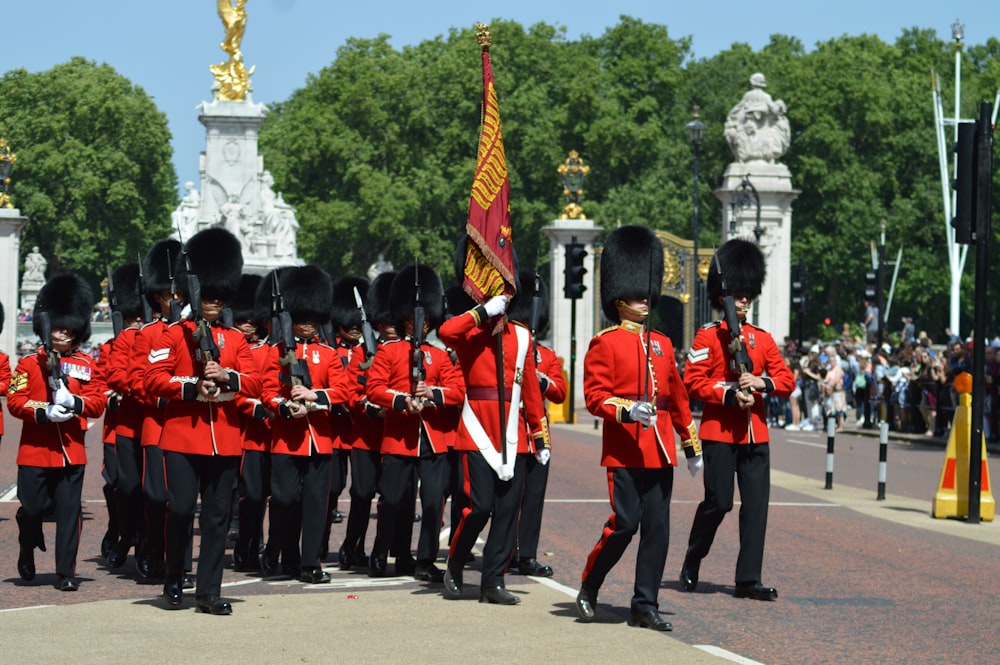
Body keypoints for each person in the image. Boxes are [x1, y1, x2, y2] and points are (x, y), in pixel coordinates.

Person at [574, 225, 699, 632]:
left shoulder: (662, 342)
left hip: (659, 448)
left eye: (646, 294)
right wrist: (627, 412)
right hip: (625, 448)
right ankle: (591, 584)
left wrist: (690, 443)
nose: (643, 300)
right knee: (625, 524)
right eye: (635, 293)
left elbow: (677, 399)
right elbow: (595, 396)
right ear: (618, 298)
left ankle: (644, 603)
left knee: (658, 529)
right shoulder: (604, 343)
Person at [144, 227, 261, 614]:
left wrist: (228, 377)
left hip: (225, 437)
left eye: (218, 296)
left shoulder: (236, 340)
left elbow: (256, 381)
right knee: (178, 509)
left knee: (215, 517)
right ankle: (174, 577)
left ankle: (209, 590)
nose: (213, 303)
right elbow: (152, 380)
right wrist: (192, 387)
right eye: (207, 296)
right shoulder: (174, 334)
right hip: (180, 436)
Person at [680, 238, 794, 602]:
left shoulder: (762, 339)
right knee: (720, 502)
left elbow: (786, 380)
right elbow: (693, 381)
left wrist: (761, 382)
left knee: (757, 508)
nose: (744, 299)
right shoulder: (707, 335)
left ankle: (748, 579)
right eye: (739, 293)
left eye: (749, 293)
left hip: (755, 434)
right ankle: (693, 556)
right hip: (719, 432)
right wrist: (729, 391)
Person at [438, 241, 549, 606]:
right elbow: (446, 332)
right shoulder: (471, 333)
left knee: (506, 511)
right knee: (479, 507)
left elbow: (530, 390)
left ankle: (493, 581)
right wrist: (481, 312)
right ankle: (455, 562)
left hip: (513, 433)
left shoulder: (522, 335)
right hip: (476, 429)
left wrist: (540, 435)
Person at [365, 264, 464, 582]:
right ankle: (383, 550)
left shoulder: (438, 356)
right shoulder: (389, 351)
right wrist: (401, 399)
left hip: (432, 439)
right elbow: (374, 388)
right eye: (412, 319)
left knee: (434, 502)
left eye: (423, 320)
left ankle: (424, 559)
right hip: (399, 436)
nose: (419, 325)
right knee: (393, 500)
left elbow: (458, 391)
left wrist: (432, 393)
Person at [8, 273, 106, 591]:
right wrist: (44, 412)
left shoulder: (86, 364)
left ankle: (66, 572)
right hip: (35, 450)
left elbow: (97, 402)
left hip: (71, 451)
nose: (63, 332)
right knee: (33, 508)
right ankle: (27, 540)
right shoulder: (27, 363)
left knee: (69, 515)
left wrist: (75, 403)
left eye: (68, 327)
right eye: (58, 326)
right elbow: (15, 402)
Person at [259, 265, 349, 584]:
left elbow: (343, 390)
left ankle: (310, 562)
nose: (309, 325)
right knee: (284, 500)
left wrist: (315, 395)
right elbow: (267, 392)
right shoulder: (278, 352)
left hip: (319, 441)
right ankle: (281, 549)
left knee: (315, 505)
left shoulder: (328, 354)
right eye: (303, 319)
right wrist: (285, 407)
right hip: (287, 439)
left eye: (313, 320)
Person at [507, 270, 566, 578]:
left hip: (538, 434)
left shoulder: (547, 355)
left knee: (534, 498)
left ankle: (527, 554)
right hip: (511, 430)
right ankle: (505, 552)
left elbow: (560, 392)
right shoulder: (507, 348)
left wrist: (541, 381)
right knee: (509, 497)